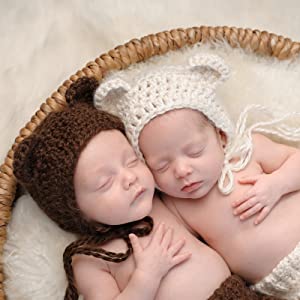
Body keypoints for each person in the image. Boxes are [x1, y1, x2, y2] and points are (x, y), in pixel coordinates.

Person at [13, 77, 275, 300]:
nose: (129, 178)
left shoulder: (161, 203)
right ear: (75, 211)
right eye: (105, 182)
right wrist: (145, 278)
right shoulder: (91, 259)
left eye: (132, 161)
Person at [94, 53, 300, 299]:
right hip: (274, 288)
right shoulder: (174, 204)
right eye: (161, 166)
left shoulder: (246, 151)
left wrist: (277, 184)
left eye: (195, 151)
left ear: (221, 136)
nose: (182, 171)